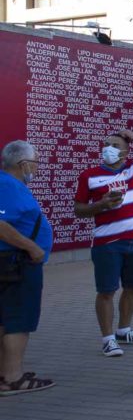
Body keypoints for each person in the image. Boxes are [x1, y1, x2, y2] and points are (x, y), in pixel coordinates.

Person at [74, 131, 133, 357]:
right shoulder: (89, 175)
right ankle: (108, 339)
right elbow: (79, 210)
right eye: (106, 144)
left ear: (126, 151)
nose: (108, 148)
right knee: (106, 291)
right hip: (107, 243)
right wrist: (101, 205)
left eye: (115, 145)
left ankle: (124, 330)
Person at [0, 140, 55, 396]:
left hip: (13, 263)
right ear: (23, 164)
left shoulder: (10, 185)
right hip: (17, 264)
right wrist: (32, 247)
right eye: (36, 162)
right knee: (18, 321)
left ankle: (5, 373)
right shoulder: (7, 185)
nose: (38, 167)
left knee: (7, 319)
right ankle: (13, 378)